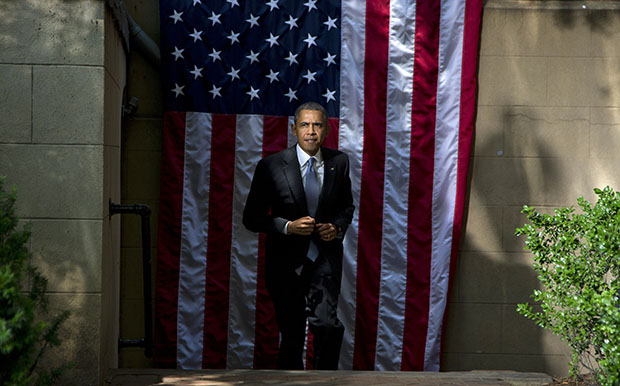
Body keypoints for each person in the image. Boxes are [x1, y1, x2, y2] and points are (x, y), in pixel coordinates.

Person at [243, 101, 355, 370]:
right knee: (292, 335)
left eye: (317, 125)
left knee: (327, 325)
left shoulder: (339, 163)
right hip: (285, 263)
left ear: (326, 130)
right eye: (305, 125)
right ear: (294, 129)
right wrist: (287, 226)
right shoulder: (270, 166)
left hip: (324, 260)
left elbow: (346, 206)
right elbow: (252, 218)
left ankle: (325, 380)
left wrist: (337, 227)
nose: (311, 131)